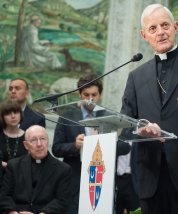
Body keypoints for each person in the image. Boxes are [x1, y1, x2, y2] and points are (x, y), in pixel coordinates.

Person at [120, 4, 178, 214]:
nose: (160, 32)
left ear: (175, 27)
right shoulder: (136, 77)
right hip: (151, 178)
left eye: (165, 25)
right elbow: (125, 126)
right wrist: (140, 130)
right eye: (153, 28)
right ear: (144, 35)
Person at [52, 74, 131, 214]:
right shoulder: (66, 117)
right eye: (86, 94)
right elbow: (56, 149)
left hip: (103, 182)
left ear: (101, 93)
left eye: (94, 95)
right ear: (79, 94)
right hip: (74, 184)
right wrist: (74, 146)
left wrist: (107, 144)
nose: (90, 99)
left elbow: (125, 147)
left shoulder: (109, 117)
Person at [0, 125, 72, 214]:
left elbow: (62, 200)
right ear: (26, 145)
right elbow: (4, 195)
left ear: (48, 141)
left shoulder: (63, 169)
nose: (39, 144)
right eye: (33, 140)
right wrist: (13, 212)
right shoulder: (14, 165)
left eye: (42, 139)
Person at [0, 100, 27, 168]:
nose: (13, 116)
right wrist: (11, 166)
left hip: (20, 176)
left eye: (16, 112)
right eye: (8, 113)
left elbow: (31, 161)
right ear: (2, 117)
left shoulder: (27, 136)